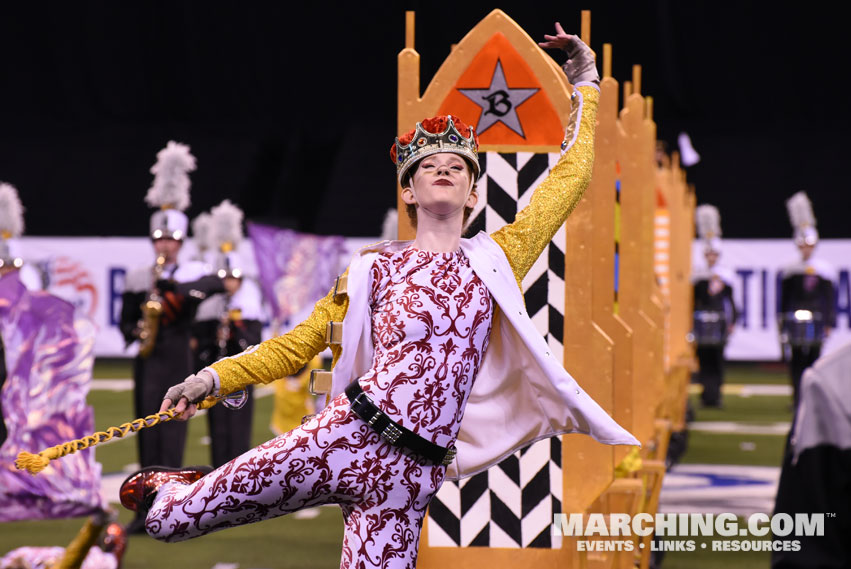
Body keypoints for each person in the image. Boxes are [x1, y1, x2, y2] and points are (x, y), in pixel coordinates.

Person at [118, 26, 639, 568]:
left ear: (473, 193)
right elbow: (299, 345)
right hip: (345, 436)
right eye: (428, 166)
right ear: (409, 192)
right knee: (166, 521)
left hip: (410, 479)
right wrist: (212, 378)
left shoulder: (498, 257)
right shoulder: (374, 267)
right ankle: (182, 490)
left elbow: (571, 178)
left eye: (456, 166)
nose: (443, 168)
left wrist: (586, 83)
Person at [118, 142, 224, 532]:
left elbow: (214, 285)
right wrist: (137, 329)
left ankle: (175, 509)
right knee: (147, 431)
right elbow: (124, 322)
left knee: (174, 434)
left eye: (171, 240)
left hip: (180, 356)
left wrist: (177, 292)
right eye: (159, 239)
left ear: (180, 242)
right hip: (149, 358)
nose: (164, 245)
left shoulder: (193, 273)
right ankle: (144, 509)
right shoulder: (136, 278)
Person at [191, 200, 264, 467]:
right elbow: (199, 347)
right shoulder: (210, 306)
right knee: (218, 432)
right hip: (216, 378)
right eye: (224, 278)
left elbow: (255, 344)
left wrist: (234, 329)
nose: (229, 284)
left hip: (241, 379)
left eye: (233, 278)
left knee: (239, 434)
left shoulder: (249, 303)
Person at [778, 191, 836, 409]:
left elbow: (829, 297)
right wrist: (783, 321)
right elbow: (784, 299)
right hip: (796, 319)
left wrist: (829, 322)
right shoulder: (791, 270)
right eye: (802, 245)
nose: (806, 249)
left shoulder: (823, 270)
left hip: (817, 319)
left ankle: (812, 399)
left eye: (809, 245)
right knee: (796, 360)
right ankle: (797, 398)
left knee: (814, 360)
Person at [691, 204, 737, 408]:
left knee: (717, 360)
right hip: (702, 321)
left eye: (714, 254)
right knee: (703, 358)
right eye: (708, 254)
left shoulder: (726, 275)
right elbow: (693, 301)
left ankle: (716, 395)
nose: (711, 257)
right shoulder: (698, 275)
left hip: (718, 321)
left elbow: (732, 302)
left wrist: (732, 321)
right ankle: (705, 395)